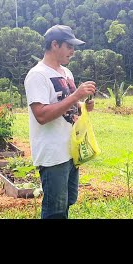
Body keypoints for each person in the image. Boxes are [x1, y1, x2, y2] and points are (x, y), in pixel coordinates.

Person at [24, 24, 96, 219]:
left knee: (67, 202)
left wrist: (82, 105)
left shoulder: (66, 73)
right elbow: (41, 115)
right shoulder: (37, 75)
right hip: (53, 154)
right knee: (54, 210)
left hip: (71, 150)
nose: (73, 51)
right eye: (69, 46)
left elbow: (64, 103)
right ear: (54, 44)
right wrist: (75, 97)